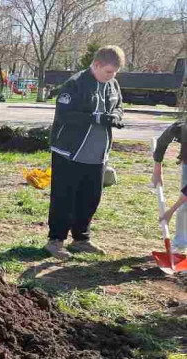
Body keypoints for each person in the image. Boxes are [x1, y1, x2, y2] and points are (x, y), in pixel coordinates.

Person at [44, 45, 125, 260]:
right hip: (69, 152)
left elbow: (119, 105)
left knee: (91, 198)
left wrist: (115, 116)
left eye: (115, 73)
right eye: (108, 72)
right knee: (64, 197)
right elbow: (64, 115)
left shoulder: (112, 84)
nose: (111, 77)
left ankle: (81, 239)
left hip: (97, 155)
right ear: (96, 64)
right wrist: (95, 117)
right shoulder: (75, 84)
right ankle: (55, 240)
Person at [152, 121, 187, 250]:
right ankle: (180, 243)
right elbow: (161, 143)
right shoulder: (179, 128)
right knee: (184, 206)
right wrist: (157, 170)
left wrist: (171, 211)